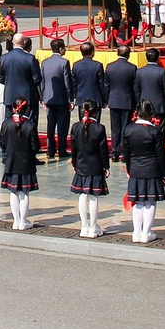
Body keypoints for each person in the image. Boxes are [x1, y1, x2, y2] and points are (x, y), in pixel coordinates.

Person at [121, 99, 165, 243]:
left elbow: (126, 153)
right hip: (153, 170)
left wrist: (129, 169)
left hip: (136, 169)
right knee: (150, 202)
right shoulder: (155, 131)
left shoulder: (128, 129)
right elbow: (161, 155)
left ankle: (136, 232)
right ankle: (146, 233)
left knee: (137, 202)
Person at [69, 100, 110, 238]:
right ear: (96, 112)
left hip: (81, 165)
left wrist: (74, 163)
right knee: (93, 196)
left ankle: (84, 226)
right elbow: (103, 150)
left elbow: (73, 149)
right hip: (96, 165)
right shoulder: (99, 128)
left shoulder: (75, 127)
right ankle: (93, 227)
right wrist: (106, 166)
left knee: (82, 195)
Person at [0, 99, 41, 231]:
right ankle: (23, 221)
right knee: (24, 193)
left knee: (13, 192)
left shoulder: (6, 124)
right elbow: (36, 146)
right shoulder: (30, 125)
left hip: (11, 162)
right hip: (26, 163)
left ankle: (16, 221)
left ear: (13, 108)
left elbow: (2, 142)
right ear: (26, 109)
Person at [40, 39, 73, 158]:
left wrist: (42, 98)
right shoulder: (64, 62)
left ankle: (50, 149)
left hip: (48, 98)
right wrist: (70, 99)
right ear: (60, 49)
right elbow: (67, 83)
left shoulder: (45, 62)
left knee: (50, 124)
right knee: (62, 125)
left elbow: (42, 82)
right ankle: (62, 148)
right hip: (62, 99)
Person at [105, 48, 139, 154]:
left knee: (115, 128)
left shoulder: (110, 67)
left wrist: (107, 100)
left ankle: (115, 151)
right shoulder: (132, 68)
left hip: (113, 100)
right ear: (128, 55)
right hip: (127, 101)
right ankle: (125, 151)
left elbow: (106, 86)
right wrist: (137, 103)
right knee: (125, 127)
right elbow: (135, 88)